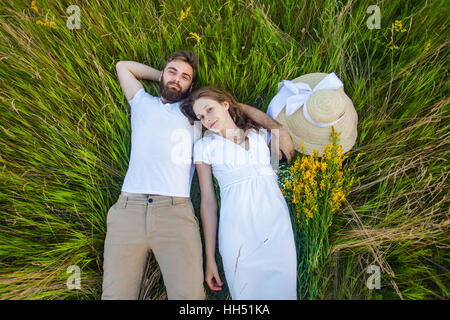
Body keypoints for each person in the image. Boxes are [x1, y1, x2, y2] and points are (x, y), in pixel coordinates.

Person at [102, 51, 296, 299]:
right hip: (128, 207)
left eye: (185, 77)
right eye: (172, 72)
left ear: (191, 87)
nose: (177, 79)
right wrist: (164, 76)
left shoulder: (193, 117)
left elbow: (228, 109)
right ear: (163, 73)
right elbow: (123, 66)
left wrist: (277, 128)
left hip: (174, 211)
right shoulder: (141, 102)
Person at [180, 87, 297, 300]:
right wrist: (210, 259)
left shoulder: (260, 135)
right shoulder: (205, 147)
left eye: (210, 109)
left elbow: (277, 166)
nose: (207, 119)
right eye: (201, 116)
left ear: (225, 104)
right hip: (238, 233)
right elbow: (207, 203)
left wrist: (281, 131)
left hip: (277, 226)